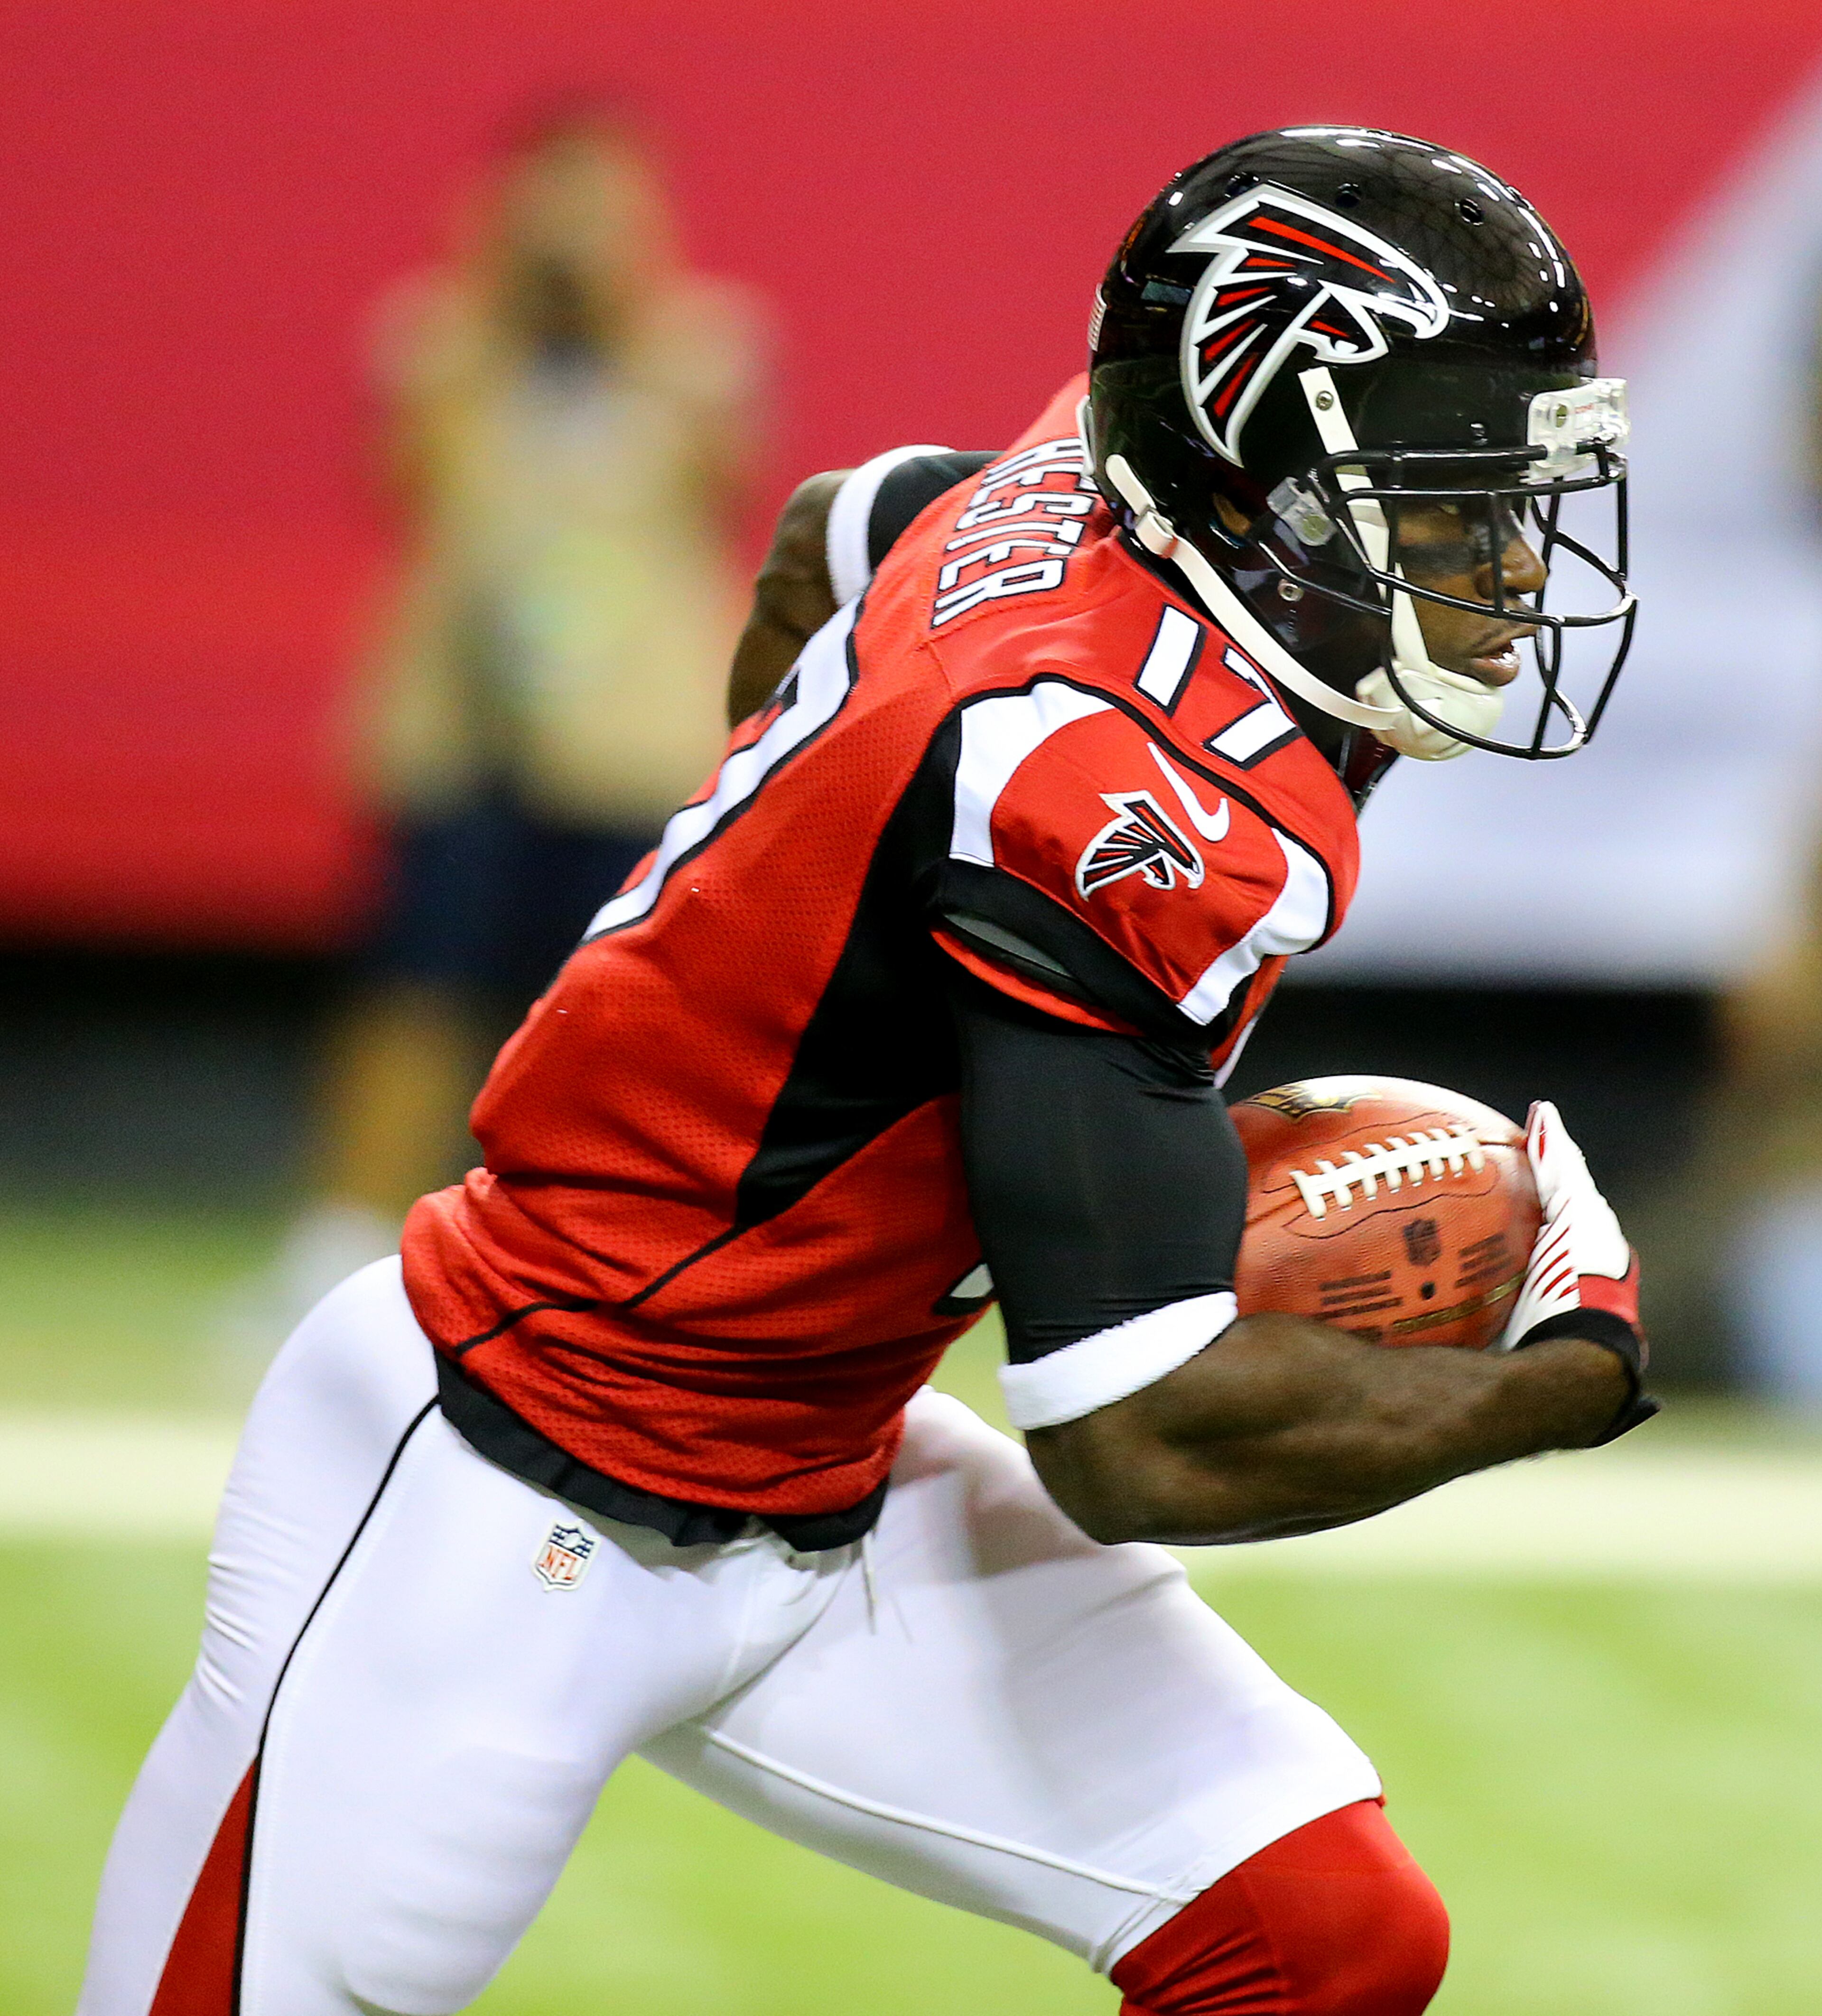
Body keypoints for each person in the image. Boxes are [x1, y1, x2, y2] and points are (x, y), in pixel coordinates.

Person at [83, 128, 1651, 2016]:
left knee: (1324, 1939)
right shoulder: (1114, 780)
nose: (1496, 559)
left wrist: (782, 871)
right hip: (511, 1478)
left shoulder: (1096, 492)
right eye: (1438, 492)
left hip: (830, 1453)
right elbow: (1131, 1439)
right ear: (1262, 476)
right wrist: (1561, 1378)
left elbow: (840, 522)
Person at [273, 102, 764, 1316]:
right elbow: (409, 481)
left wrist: (619, 323)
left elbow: (722, 482)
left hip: (627, 734)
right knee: (416, 986)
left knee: (621, 1011)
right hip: (465, 730)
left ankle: (601, 1254)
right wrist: (504, 322)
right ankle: (336, 1248)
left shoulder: (700, 344)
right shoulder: (441, 340)